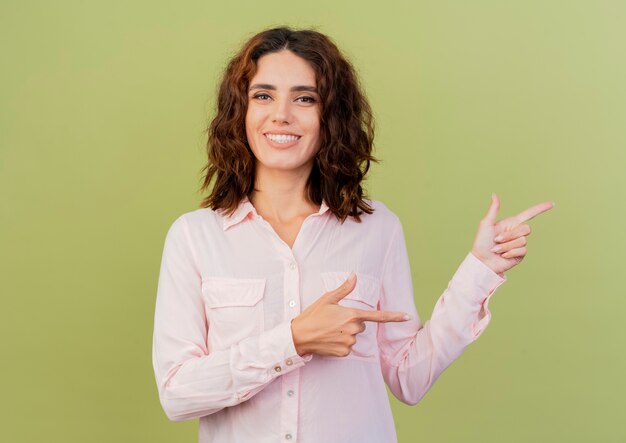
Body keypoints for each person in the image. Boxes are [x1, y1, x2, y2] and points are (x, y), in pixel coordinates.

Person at [152, 27, 554, 443]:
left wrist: (481, 271)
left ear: (331, 115)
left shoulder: (377, 229)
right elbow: (178, 394)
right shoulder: (194, 237)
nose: (282, 114)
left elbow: (408, 378)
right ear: (240, 110)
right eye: (263, 95)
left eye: (305, 98)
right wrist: (292, 341)